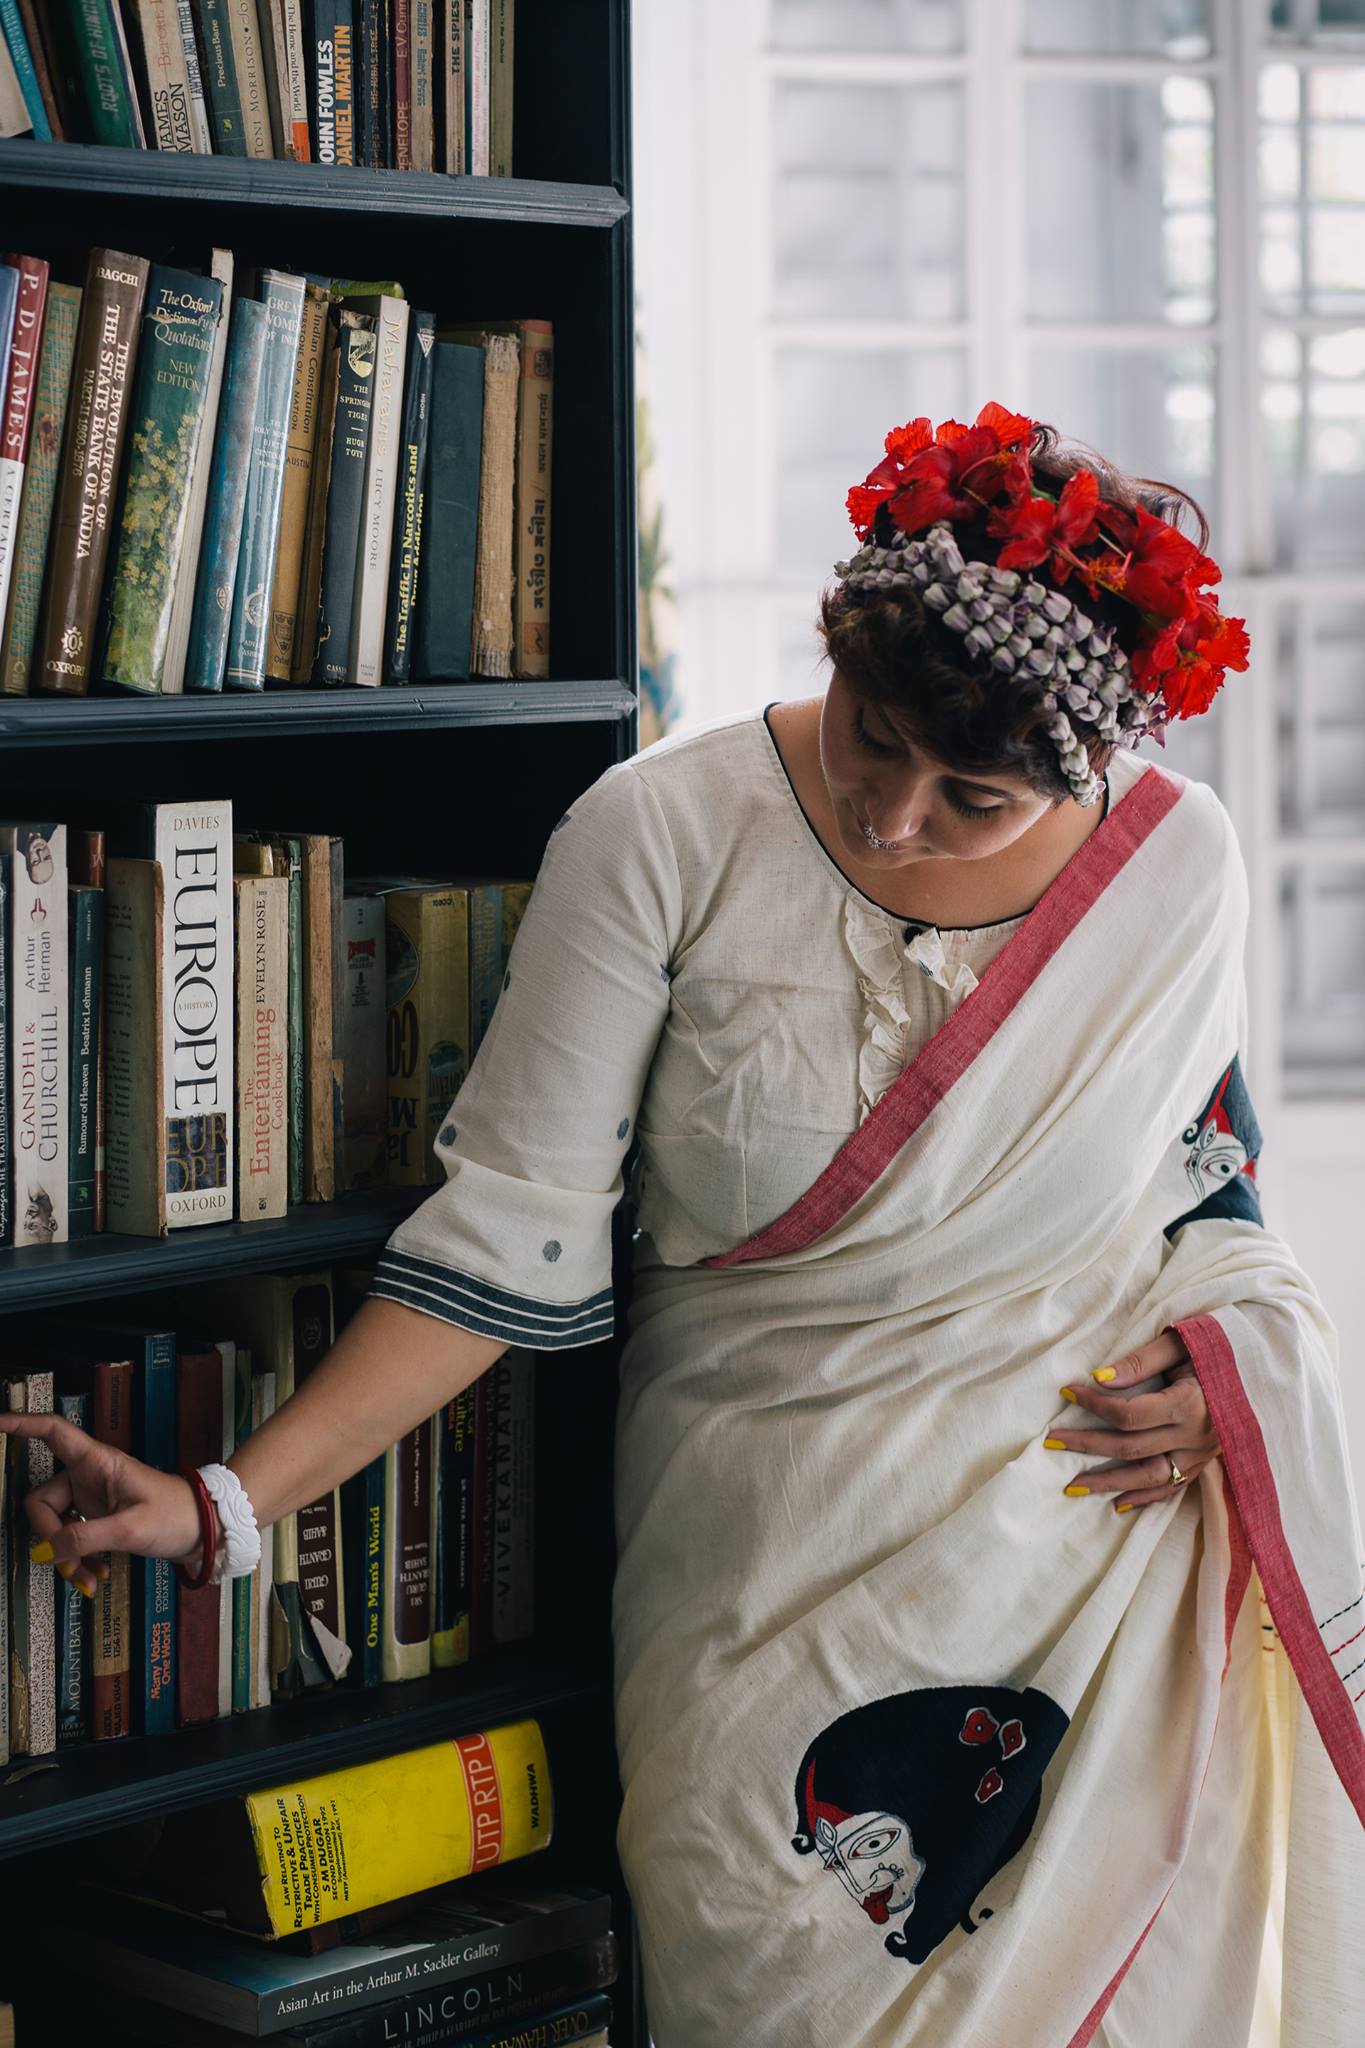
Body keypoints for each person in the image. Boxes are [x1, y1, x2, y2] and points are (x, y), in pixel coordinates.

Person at [6, 403, 1365, 2047]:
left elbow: (1202, 1177)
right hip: (756, 1588)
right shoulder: (661, 830)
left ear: (1090, 776)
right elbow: (507, 1240)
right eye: (873, 740)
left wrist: (1221, 1372)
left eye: (975, 799)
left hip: (1085, 1570)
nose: (893, 819)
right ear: (831, 648)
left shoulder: (1177, 871)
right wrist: (224, 1507)